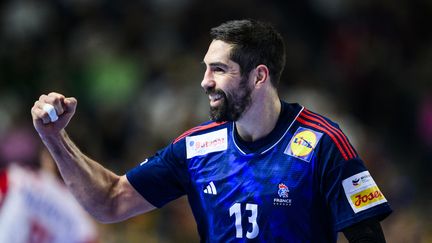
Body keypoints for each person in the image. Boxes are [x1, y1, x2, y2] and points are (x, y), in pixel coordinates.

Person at [31, 19, 392, 242]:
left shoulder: (323, 142)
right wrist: (55, 138)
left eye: (218, 69)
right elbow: (110, 201)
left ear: (259, 76)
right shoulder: (196, 148)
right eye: (205, 69)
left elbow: (368, 238)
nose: (204, 82)